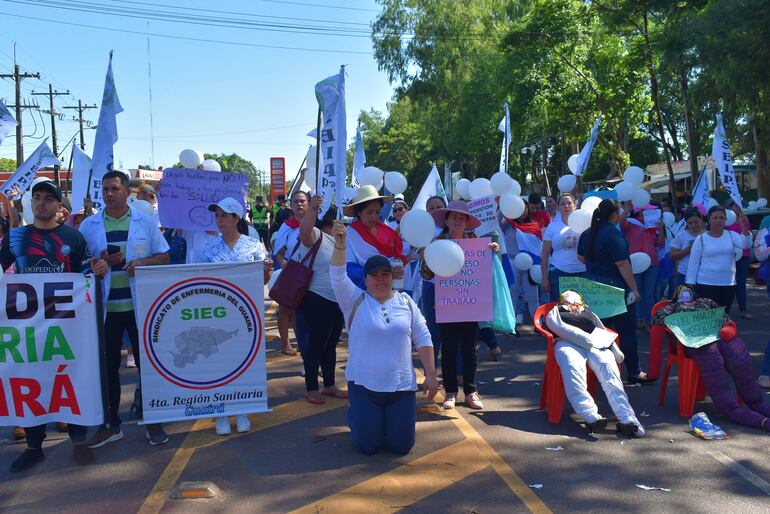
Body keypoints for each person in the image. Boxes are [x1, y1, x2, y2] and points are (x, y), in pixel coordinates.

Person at [1, 181, 110, 472]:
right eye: (36, 198)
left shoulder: (72, 238)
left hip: (66, 325)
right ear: (30, 203)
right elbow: (3, 272)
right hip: (27, 327)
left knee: (69, 378)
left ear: (59, 207)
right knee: (31, 380)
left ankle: (78, 440)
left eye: (49, 199)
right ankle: (34, 447)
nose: (41, 203)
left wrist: (99, 269)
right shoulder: (15, 237)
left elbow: (87, 272)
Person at [79, 170, 171, 448]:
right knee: (107, 367)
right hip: (105, 308)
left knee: (148, 364)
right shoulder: (89, 225)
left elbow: (164, 256)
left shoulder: (144, 221)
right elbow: (81, 265)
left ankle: (152, 421)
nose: (109, 194)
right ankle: (111, 424)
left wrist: (141, 264)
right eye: (105, 189)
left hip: (139, 306)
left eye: (114, 189)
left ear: (127, 191)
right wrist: (97, 264)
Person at [330, 221, 438, 455]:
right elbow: (338, 277)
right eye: (374, 275)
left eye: (385, 274)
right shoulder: (353, 300)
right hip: (364, 386)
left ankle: (383, 421)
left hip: (401, 387)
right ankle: (357, 416)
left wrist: (431, 375)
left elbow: (423, 337)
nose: (380, 279)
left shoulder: (406, 302)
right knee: (367, 446)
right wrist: (340, 246)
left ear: (392, 276)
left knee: (402, 446)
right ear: (366, 279)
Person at [653, 286, 770, 432]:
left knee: (737, 354)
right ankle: (749, 416)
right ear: (675, 297)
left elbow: (724, 317)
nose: (685, 295)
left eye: (687, 293)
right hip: (696, 342)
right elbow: (657, 318)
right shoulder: (672, 308)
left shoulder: (705, 301)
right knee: (712, 360)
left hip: (717, 336)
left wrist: (728, 329)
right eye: (681, 294)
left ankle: (757, 403)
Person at [202, 197, 273, 434]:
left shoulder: (254, 246)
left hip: (246, 315)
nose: (219, 220)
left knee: (243, 362)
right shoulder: (208, 248)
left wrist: (265, 272)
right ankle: (220, 413)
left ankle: (242, 408)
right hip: (217, 314)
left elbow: (262, 281)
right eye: (217, 216)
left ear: (236, 218)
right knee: (217, 363)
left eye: (224, 216)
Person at [423, 200, 498, 410]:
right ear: (446, 221)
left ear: (467, 222)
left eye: (461, 217)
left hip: (470, 303)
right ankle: (450, 392)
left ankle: (471, 391)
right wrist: (427, 257)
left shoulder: (475, 241)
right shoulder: (437, 242)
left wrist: (492, 250)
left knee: (469, 347)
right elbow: (425, 273)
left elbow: (485, 267)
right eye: (453, 217)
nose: (457, 220)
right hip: (447, 303)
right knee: (448, 347)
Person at [546, 291, 645, 436]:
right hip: (566, 342)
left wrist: (614, 349)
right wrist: (583, 338)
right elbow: (559, 327)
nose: (571, 297)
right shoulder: (555, 311)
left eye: (575, 296)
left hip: (595, 344)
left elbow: (602, 330)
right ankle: (591, 416)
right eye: (567, 295)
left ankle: (628, 420)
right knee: (573, 367)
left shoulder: (588, 311)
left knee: (609, 370)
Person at [577, 199, 649, 383]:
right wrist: (634, 287)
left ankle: (593, 374)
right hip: (615, 289)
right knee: (626, 332)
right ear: (614, 214)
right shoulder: (612, 235)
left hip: (593, 288)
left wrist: (596, 268)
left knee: (596, 333)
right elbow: (623, 264)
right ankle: (634, 371)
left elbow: (581, 257)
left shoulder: (587, 233)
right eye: (620, 211)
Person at [294, 195, 345, 404]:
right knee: (316, 343)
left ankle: (330, 384)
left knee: (331, 343)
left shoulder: (340, 240)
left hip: (336, 300)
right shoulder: (316, 236)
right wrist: (313, 209)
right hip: (315, 297)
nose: (341, 225)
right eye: (337, 222)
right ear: (328, 222)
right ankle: (311, 387)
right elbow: (304, 230)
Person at [685, 205, 751, 312]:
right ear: (709, 219)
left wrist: (744, 227)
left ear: (725, 220)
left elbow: (746, 245)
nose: (718, 221)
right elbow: (693, 263)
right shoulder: (701, 239)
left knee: (723, 316)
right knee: (707, 318)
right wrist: (690, 283)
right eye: (715, 218)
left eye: (721, 218)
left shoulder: (731, 235)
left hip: (727, 283)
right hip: (706, 284)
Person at [344, 185, 406, 289]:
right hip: (363, 290)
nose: (374, 216)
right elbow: (349, 267)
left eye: (377, 212)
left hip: (391, 287)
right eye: (370, 212)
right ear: (359, 212)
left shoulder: (387, 231)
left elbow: (396, 258)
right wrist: (382, 274)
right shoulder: (350, 233)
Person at [272, 190, 310, 356]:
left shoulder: (313, 224)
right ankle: (286, 344)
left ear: (308, 204)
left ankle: (302, 342)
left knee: (303, 309)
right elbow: (278, 253)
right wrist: (285, 267)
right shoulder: (286, 226)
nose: (299, 204)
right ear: (291, 205)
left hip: (310, 271)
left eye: (302, 201)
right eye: (295, 201)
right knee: (286, 308)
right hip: (291, 271)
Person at [620, 204, 665, 331]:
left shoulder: (653, 226)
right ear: (639, 213)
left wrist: (661, 230)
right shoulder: (631, 223)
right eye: (646, 212)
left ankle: (649, 321)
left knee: (649, 293)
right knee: (636, 292)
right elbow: (621, 223)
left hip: (652, 263)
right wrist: (627, 209)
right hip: (635, 263)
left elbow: (660, 243)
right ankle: (638, 321)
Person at [502, 203, 542, 327]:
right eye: (518, 207)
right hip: (513, 262)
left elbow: (538, 247)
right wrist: (503, 205)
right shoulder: (507, 224)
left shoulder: (535, 225)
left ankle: (538, 326)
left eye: (524, 208)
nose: (522, 210)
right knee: (512, 296)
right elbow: (495, 220)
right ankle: (511, 326)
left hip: (531, 265)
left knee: (533, 298)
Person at [420, 196, 448, 367]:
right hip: (431, 285)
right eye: (432, 208)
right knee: (433, 331)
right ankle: (431, 371)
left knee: (454, 332)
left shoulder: (455, 228)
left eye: (439, 206)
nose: (436, 210)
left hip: (454, 287)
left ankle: (458, 372)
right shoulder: (422, 231)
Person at [541, 193, 585, 299]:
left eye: (569, 203)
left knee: (581, 310)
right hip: (558, 273)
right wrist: (545, 279)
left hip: (582, 273)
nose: (566, 206)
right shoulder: (552, 226)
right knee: (560, 309)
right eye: (562, 204)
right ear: (558, 208)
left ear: (575, 205)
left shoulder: (585, 224)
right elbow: (545, 255)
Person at [725, 199, 753, 318]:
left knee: (741, 283)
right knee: (728, 284)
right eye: (735, 205)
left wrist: (744, 225)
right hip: (729, 256)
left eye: (739, 205)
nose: (737, 208)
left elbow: (748, 236)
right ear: (729, 207)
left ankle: (743, 310)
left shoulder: (744, 220)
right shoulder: (725, 221)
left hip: (744, 256)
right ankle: (725, 312)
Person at [669, 208, 706, 293]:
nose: (693, 225)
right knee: (684, 303)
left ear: (701, 219)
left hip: (704, 275)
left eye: (696, 222)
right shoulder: (681, 236)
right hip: (684, 275)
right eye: (690, 223)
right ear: (686, 222)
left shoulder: (708, 235)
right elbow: (672, 255)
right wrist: (685, 251)